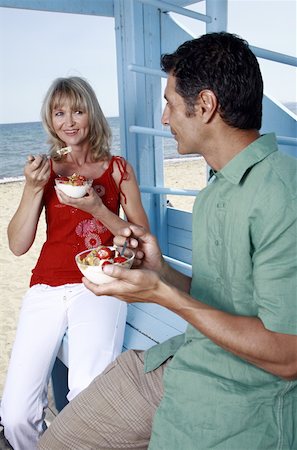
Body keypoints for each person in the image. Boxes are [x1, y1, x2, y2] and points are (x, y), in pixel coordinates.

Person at [38, 33, 297, 450]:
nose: (163, 117)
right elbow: (222, 300)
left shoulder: (283, 196)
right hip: (182, 359)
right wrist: (161, 272)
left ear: (206, 106)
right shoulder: (217, 186)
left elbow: (288, 355)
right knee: (54, 442)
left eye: (170, 103)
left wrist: (162, 296)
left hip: (238, 394)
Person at [0, 76, 149, 450]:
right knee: (15, 415)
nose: (69, 121)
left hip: (101, 282)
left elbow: (141, 244)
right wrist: (33, 188)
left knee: (86, 393)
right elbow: (18, 245)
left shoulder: (117, 170)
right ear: (50, 120)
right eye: (59, 112)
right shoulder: (45, 171)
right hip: (46, 285)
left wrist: (96, 208)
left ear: (91, 115)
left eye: (78, 111)